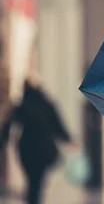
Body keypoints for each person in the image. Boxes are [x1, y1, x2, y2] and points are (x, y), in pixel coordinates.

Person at [1, 75, 76, 204]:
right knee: (38, 179)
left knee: (31, 179)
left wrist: (2, 142)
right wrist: (69, 139)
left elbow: (8, 126)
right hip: (44, 149)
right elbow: (58, 125)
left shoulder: (21, 105)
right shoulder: (47, 104)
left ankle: (32, 198)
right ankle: (35, 198)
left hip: (26, 149)